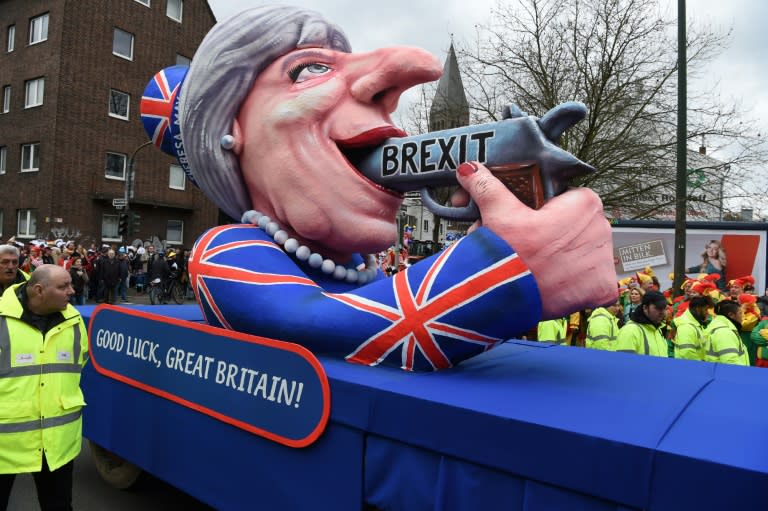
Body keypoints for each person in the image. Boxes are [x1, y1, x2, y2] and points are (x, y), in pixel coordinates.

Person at [145, 5, 616, 370]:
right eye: (309, 69)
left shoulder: (357, 263)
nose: (404, 75)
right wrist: (503, 268)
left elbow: (388, 307)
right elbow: (323, 323)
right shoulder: (227, 251)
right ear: (232, 131)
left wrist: (491, 232)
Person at [0, 264, 89, 511]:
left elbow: (80, 361)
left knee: (58, 506)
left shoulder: (74, 321)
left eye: (71, 284)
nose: (72, 291)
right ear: (39, 290)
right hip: (5, 446)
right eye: (63, 287)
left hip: (56, 445)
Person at [616, 290, 668, 357]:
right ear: (645, 308)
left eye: (664, 308)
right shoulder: (630, 331)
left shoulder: (657, 330)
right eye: (658, 308)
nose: (663, 312)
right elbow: (624, 363)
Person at [704, 300, 749, 366]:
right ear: (731, 315)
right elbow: (731, 363)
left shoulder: (719, 326)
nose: (743, 317)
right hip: (729, 375)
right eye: (740, 313)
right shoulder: (724, 332)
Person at [673, 296, 711, 361]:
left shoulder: (695, 324)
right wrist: (702, 367)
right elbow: (687, 353)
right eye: (705, 309)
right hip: (690, 369)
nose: (707, 312)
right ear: (698, 309)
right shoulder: (686, 327)